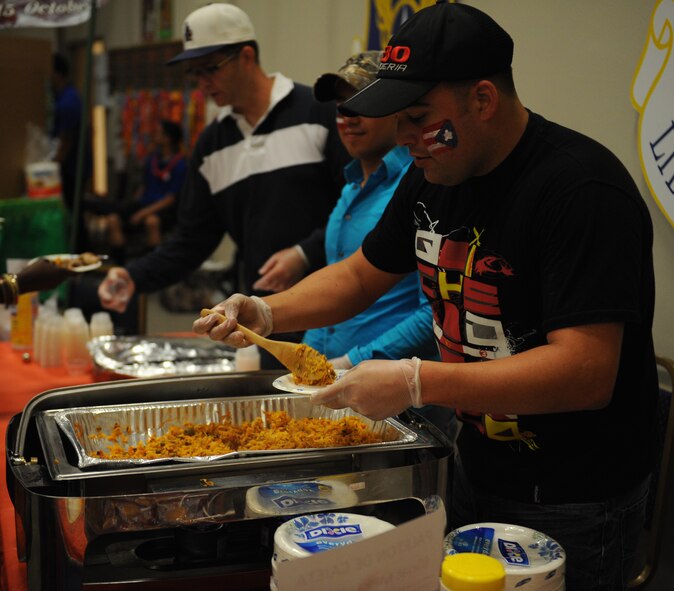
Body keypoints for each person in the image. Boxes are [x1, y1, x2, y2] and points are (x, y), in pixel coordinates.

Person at [193, 2, 658, 589]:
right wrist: (264, 311)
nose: (406, 138)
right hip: (478, 467)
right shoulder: (432, 171)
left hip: (577, 494)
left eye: (418, 118)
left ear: (483, 100)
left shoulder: (581, 190)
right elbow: (361, 275)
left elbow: (586, 372)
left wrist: (417, 380)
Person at [98, 2, 348, 366]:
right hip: (261, 318)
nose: (201, 82)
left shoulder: (317, 112)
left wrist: (305, 252)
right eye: (193, 72)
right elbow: (192, 239)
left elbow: (359, 207)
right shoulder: (212, 144)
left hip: (336, 314)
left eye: (209, 69)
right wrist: (134, 275)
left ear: (246, 56)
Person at [254, 50, 438, 371]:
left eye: (363, 102)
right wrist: (306, 362)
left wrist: (353, 362)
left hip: (396, 392)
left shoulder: (420, 184)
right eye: (341, 105)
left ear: (397, 108)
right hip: (337, 383)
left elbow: (434, 312)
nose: (348, 116)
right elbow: (338, 290)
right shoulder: (351, 186)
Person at [92, 119, 187, 262]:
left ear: (168, 138)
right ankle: (120, 262)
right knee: (112, 218)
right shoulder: (152, 160)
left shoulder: (180, 164)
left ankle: (153, 263)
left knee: (151, 221)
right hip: (144, 203)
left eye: (158, 133)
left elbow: (170, 198)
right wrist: (134, 207)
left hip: (164, 209)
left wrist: (142, 213)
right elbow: (143, 186)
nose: (154, 136)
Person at [51, 52, 92, 252]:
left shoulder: (69, 101)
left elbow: (67, 139)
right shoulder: (62, 97)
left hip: (73, 167)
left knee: (74, 210)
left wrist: (54, 166)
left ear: (56, 73)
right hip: (72, 166)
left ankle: (81, 253)